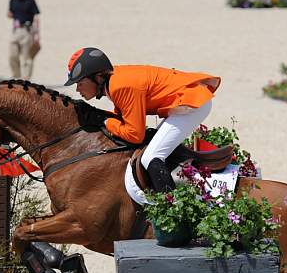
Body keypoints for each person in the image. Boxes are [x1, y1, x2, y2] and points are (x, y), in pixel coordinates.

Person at [64, 48, 221, 192]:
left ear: (97, 78)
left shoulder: (120, 86)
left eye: (80, 83)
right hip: (185, 102)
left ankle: (172, 213)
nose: (78, 89)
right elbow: (123, 119)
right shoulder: (113, 81)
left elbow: (134, 134)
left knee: (150, 157)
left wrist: (104, 120)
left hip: (192, 104)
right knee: (153, 147)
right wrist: (101, 116)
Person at [8, 0, 40, 79]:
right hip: (16, 30)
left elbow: (36, 17)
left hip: (27, 30)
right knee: (12, 55)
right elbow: (10, 13)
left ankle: (26, 79)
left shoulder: (30, 0)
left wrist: (37, 34)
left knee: (27, 57)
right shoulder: (12, 0)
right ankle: (16, 78)